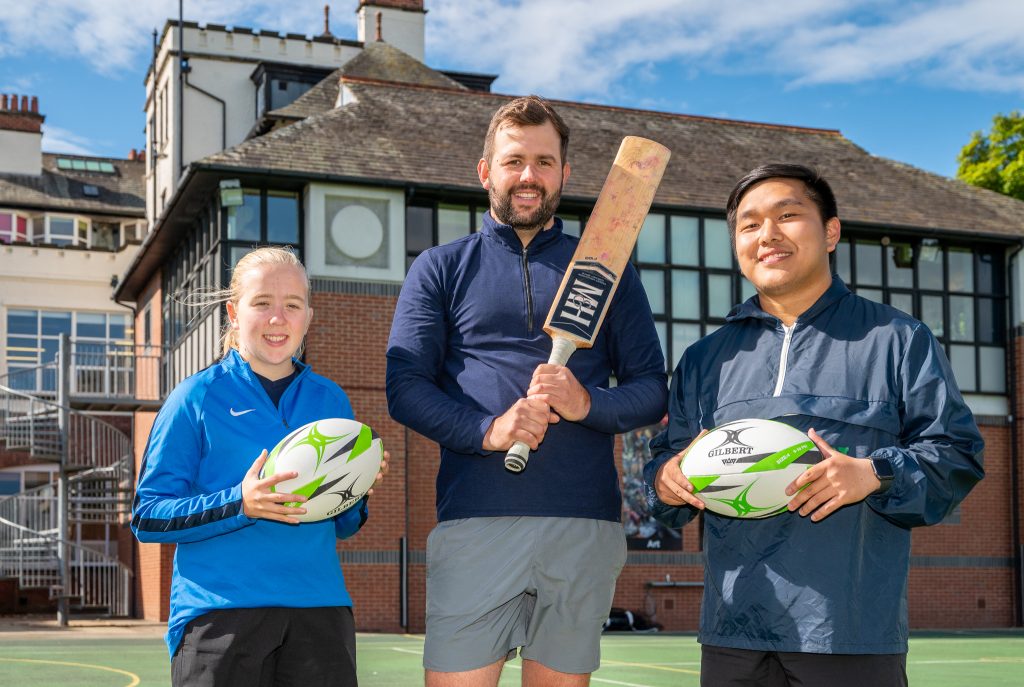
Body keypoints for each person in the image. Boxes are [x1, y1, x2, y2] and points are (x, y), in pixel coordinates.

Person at [644, 163, 985, 687]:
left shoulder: (897, 340)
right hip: (733, 636)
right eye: (749, 224)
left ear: (830, 232)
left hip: (849, 634)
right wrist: (666, 479)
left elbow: (957, 456)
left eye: (788, 215)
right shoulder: (702, 360)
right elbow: (662, 484)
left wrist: (876, 474)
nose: (768, 235)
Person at [386, 95, 667, 686]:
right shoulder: (440, 267)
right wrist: (486, 431)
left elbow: (650, 389)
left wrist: (587, 404)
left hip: (582, 524)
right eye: (514, 161)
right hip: (475, 520)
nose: (528, 176)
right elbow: (405, 387)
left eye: (544, 162)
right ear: (486, 172)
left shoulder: (609, 272)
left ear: (565, 173)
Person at [132, 246, 386, 687]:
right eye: (262, 303)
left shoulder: (331, 401)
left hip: (320, 609)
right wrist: (240, 503)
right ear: (233, 311)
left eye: (292, 305)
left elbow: (343, 525)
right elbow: (148, 516)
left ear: (308, 315)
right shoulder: (196, 397)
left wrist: (356, 487)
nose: (277, 318)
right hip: (220, 615)